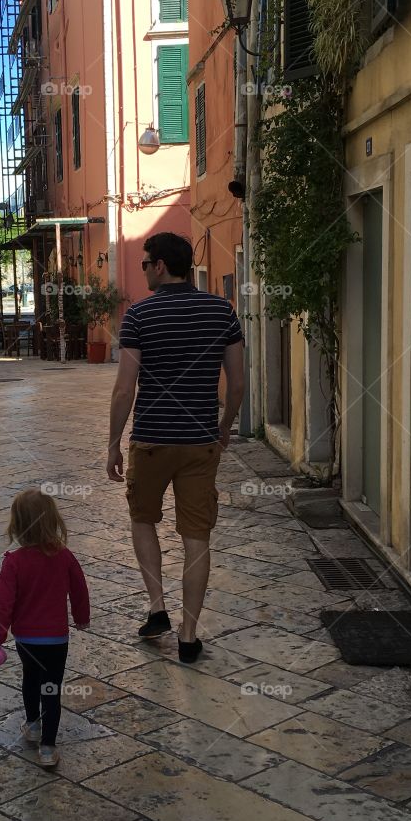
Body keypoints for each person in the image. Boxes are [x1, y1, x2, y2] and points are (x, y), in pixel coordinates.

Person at [106, 232, 245, 663]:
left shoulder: (139, 317)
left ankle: (157, 607)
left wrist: (112, 443)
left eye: (146, 264)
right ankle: (188, 636)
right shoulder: (223, 312)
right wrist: (223, 427)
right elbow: (238, 382)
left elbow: (124, 389)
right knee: (196, 537)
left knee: (143, 520)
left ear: (161, 265)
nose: (144, 270)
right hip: (200, 444)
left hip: (150, 442)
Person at [0, 487, 90, 768]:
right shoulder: (64, 557)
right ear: (53, 520)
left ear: (16, 524)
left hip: (27, 640)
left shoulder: (13, 563)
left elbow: (3, 606)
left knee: (30, 680)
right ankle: (48, 749)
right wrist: (81, 617)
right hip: (56, 639)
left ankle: (32, 725)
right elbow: (80, 590)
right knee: (52, 688)